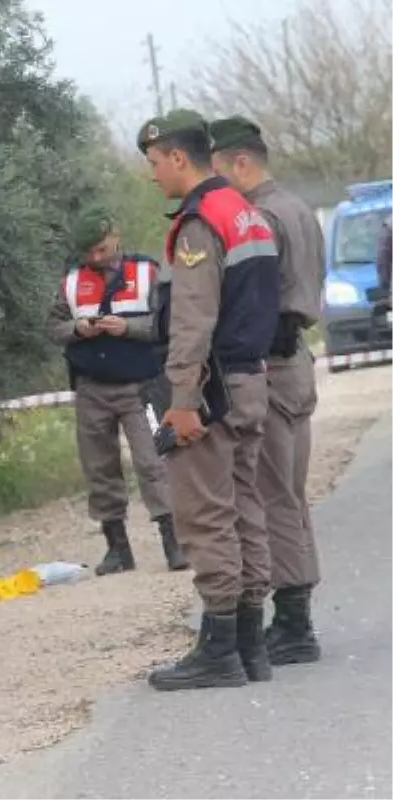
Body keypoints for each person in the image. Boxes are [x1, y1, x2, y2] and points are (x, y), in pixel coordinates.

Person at [136, 109, 281, 692]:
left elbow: (193, 321)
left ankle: (219, 649)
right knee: (246, 509)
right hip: (251, 380)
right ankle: (250, 644)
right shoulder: (247, 213)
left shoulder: (200, 222)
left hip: (211, 390)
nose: (151, 176)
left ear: (177, 157)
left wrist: (182, 399)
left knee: (205, 515)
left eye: (153, 163)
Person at [209, 116, 325, 665]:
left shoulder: (261, 215)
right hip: (296, 358)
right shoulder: (301, 209)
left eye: (218, 171)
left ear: (239, 163)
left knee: (271, 494)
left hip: (271, 364)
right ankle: (298, 613)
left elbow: (255, 298)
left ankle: (295, 623)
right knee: (291, 493)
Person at [46, 206, 187, 575]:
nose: (95, 258)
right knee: (99, 467)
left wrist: (127, 328)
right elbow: (53, 327)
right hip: (91, 387)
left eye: (100, 249)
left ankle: (174, 541)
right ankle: (117, 549)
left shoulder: (146, 272)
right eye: (88, 253)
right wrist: (79, 330)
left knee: (151, 462)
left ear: (115, 237)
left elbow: (166, 323)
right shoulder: (72, 281)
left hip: (139, 385)